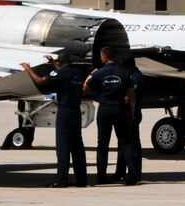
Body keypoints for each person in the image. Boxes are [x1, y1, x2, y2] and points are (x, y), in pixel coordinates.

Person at [21, 52, 88, 188]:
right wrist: (53, 63)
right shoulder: (77, 73)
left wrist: (28, 69)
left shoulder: (62, 73)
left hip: (65, 112)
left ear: (61, 63)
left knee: (63, 146)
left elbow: (40, 81)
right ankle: (81, 179)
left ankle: (61, 180)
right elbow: (62, 73)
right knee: (77, 147)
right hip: (76, 111)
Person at [84, 46, 138, 186]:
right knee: (125, 143)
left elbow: (85, 87)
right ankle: (132, 175)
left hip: (105, 110)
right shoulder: (125, 73)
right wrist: (132, 113)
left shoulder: (99, 73)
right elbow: (131, 94)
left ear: (104, 57)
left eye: (102, 57)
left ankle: (101, 176)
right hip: (120, 109)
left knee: (102, 144)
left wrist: (92, 73)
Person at [114, 58, 145, 183]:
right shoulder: (131, 75)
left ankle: (136, 173)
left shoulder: (135, 77)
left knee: (133, 145)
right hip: (127, 114)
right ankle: (119, 172)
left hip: (132, 115)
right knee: (123, 145)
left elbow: (129, 98)